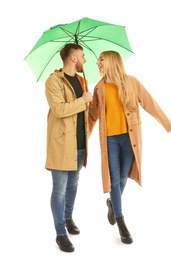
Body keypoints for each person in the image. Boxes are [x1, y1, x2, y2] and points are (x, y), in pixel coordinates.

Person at [88, 50, 171, 245]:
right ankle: (122, 223)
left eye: (101, 60)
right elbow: (92, 117)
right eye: (98, 60)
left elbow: (151, 105)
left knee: (123, 177)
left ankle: (112, 204)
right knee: (115, 180)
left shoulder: (132, 82)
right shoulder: (99, 88)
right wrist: (82, 139)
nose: (97, 63)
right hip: (110, 140)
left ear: (112, 62)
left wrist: (170, 125)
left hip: (129, 139)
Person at [45, 43, 93, 253]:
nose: (85, 60)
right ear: (73, 58)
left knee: (73, 184)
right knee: (59, 190)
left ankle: (68, 217)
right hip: (62, 144)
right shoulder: (53, 81)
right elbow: (59, 109)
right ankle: (60, 233)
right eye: (82, 56)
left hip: (80, 144)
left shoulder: (82, 81)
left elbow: (85, 112)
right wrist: (82, 100)